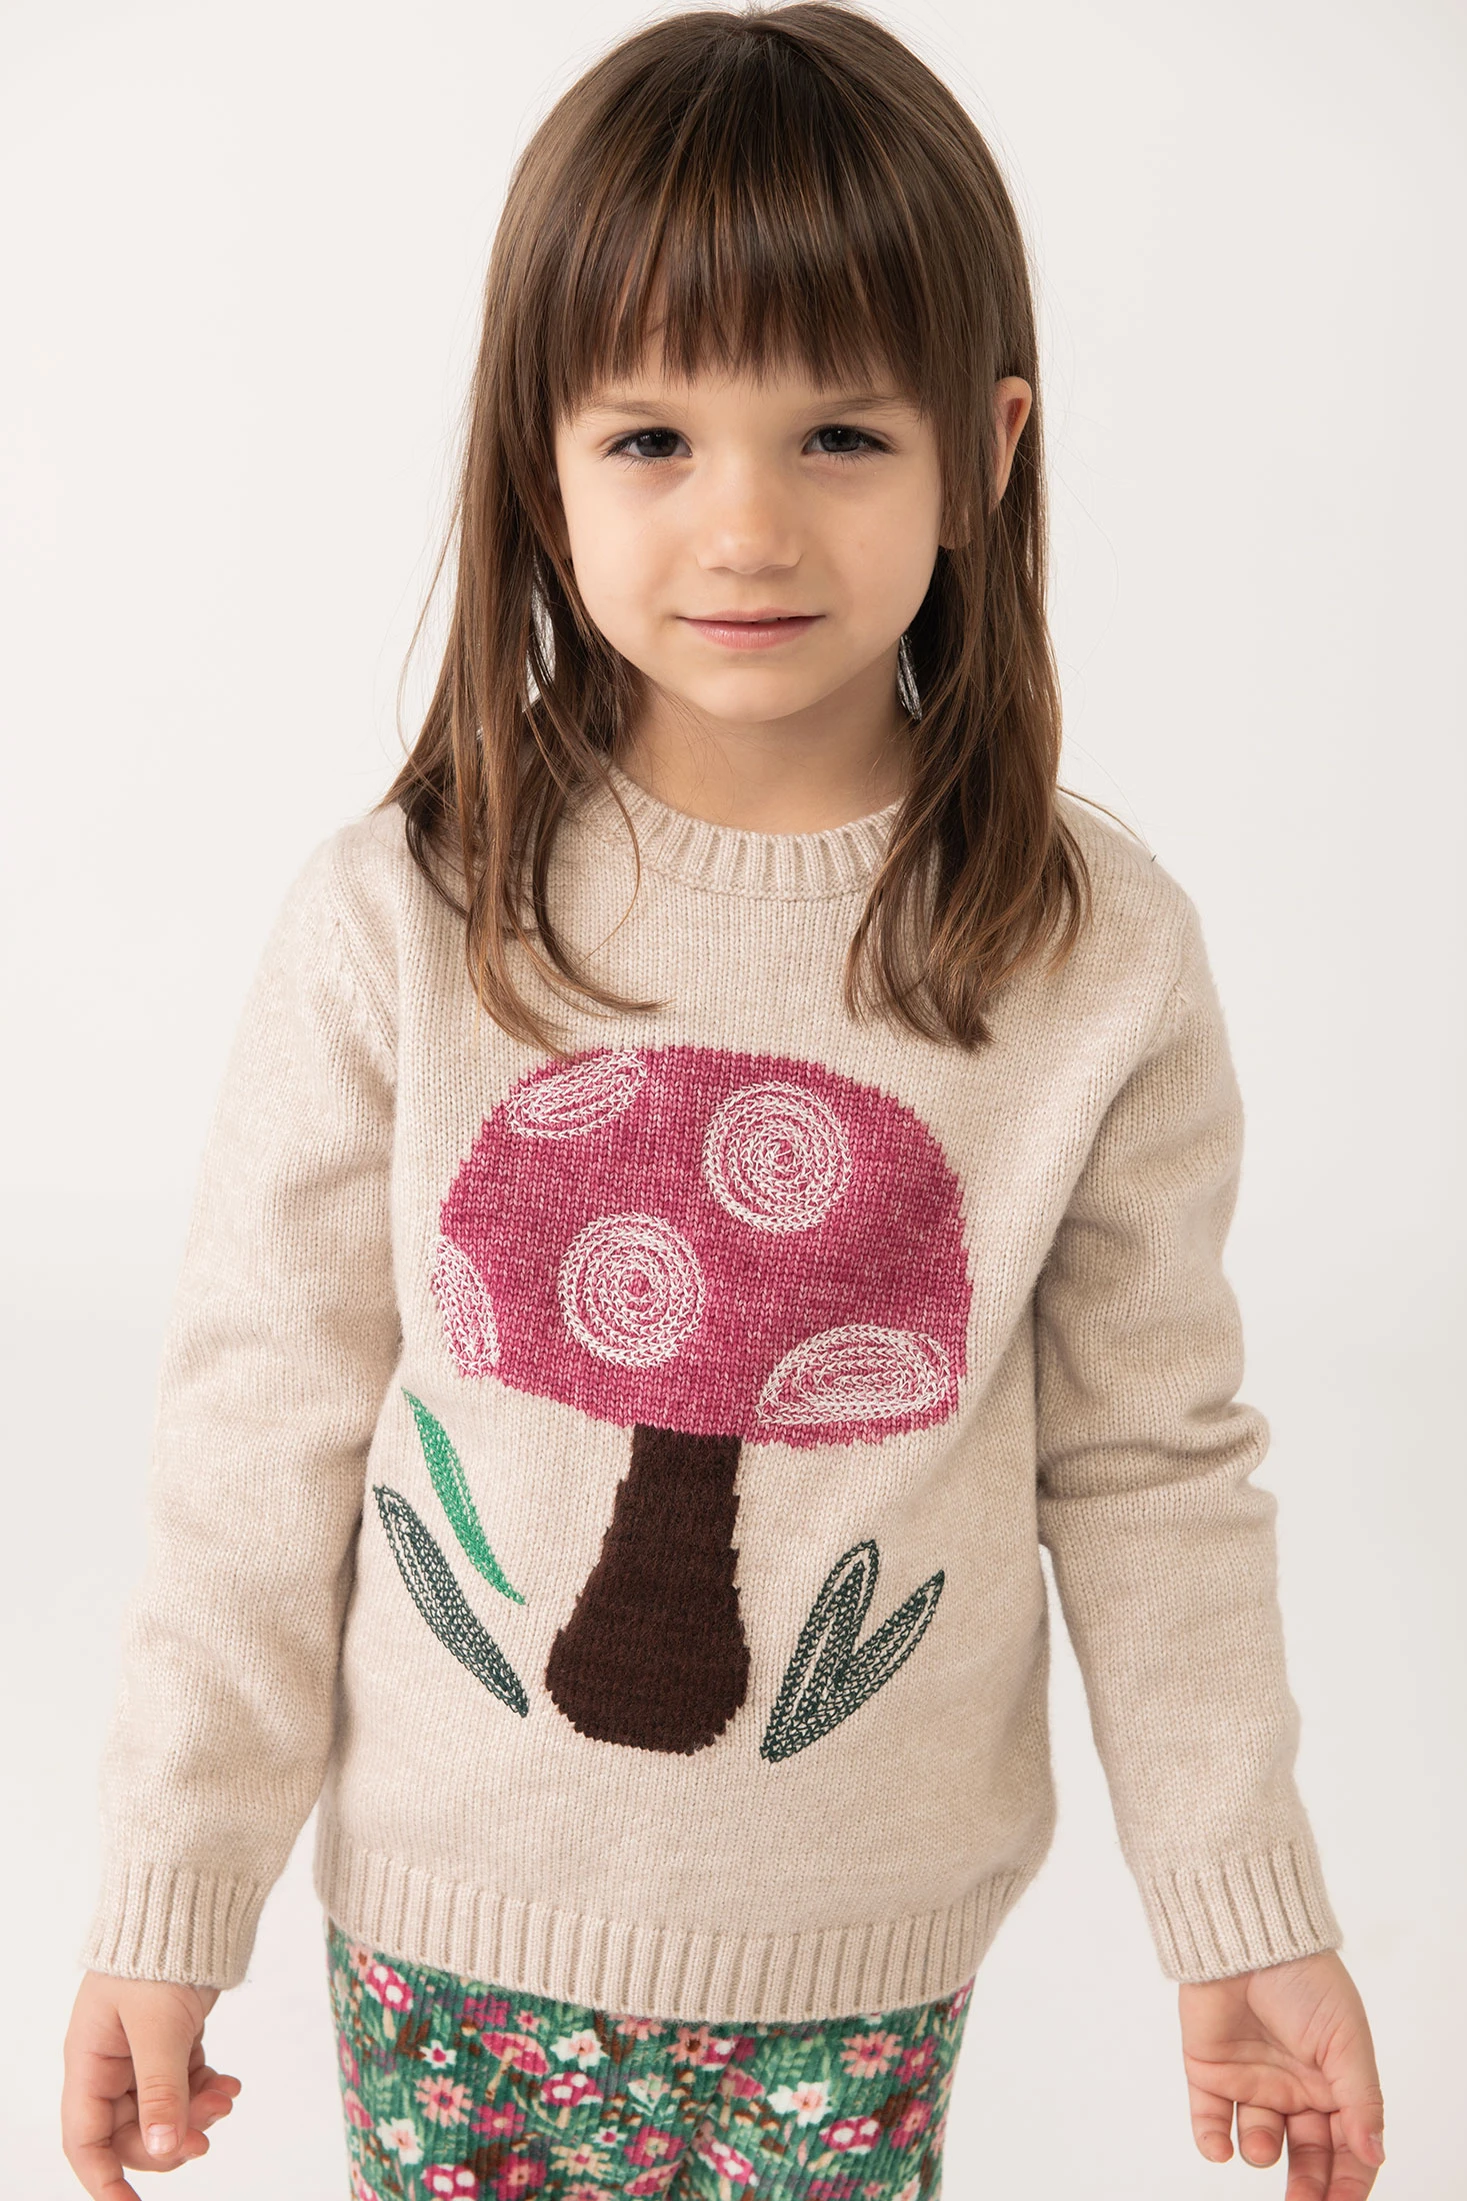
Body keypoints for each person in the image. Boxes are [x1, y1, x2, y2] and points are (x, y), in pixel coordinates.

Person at [61, 6, 1387, 2198]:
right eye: (654, 436)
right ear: (540, 462)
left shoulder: (1089, 950)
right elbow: (256, 1422)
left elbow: (1150, 1461)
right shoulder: (403, 913)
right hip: (442, 1941)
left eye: (840, 432)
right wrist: (170, 1891)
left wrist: (1238, 1904)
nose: (746, 524)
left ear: (985, 448)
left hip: (861, 1964)